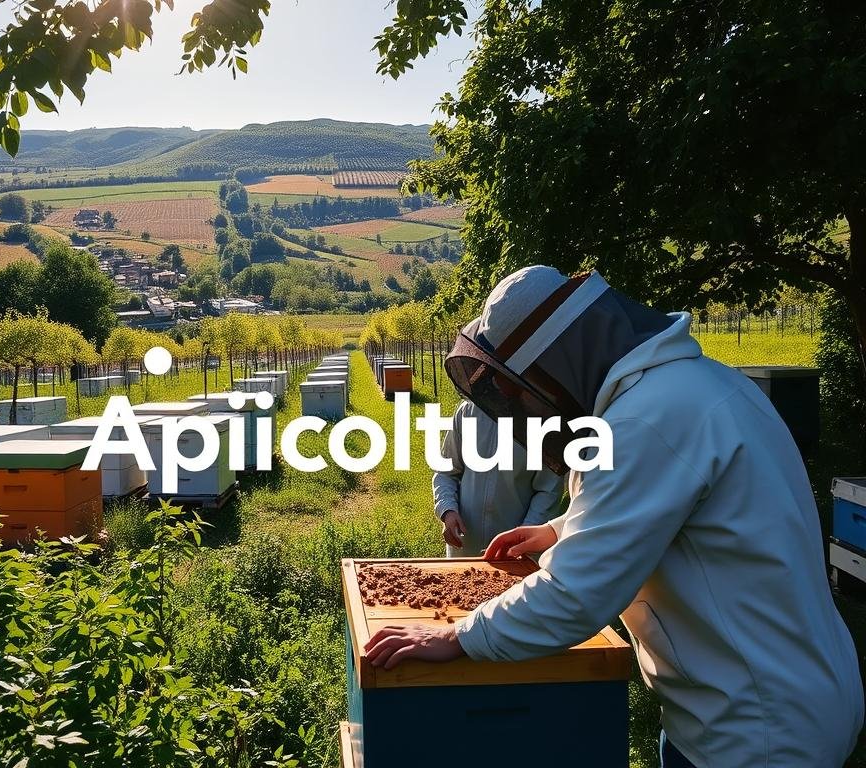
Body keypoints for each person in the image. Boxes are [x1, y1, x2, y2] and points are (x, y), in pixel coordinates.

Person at [364, 266, 863, 767]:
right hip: (768, 701)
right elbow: (673, 513)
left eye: (523, 387)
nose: (524, 406)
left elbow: (576, 595)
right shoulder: (701, 385)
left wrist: (458, 635)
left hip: (757, 733)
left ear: (559, 358)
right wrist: (556, 530)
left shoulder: (644, 421)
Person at [433, 399, 562, 556]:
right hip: (464, 546)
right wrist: (447, 510)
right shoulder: (467, 411)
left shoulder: (543, 422)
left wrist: (523, 536)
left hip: (515, 554)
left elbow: (548, 490)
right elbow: (446, 470)